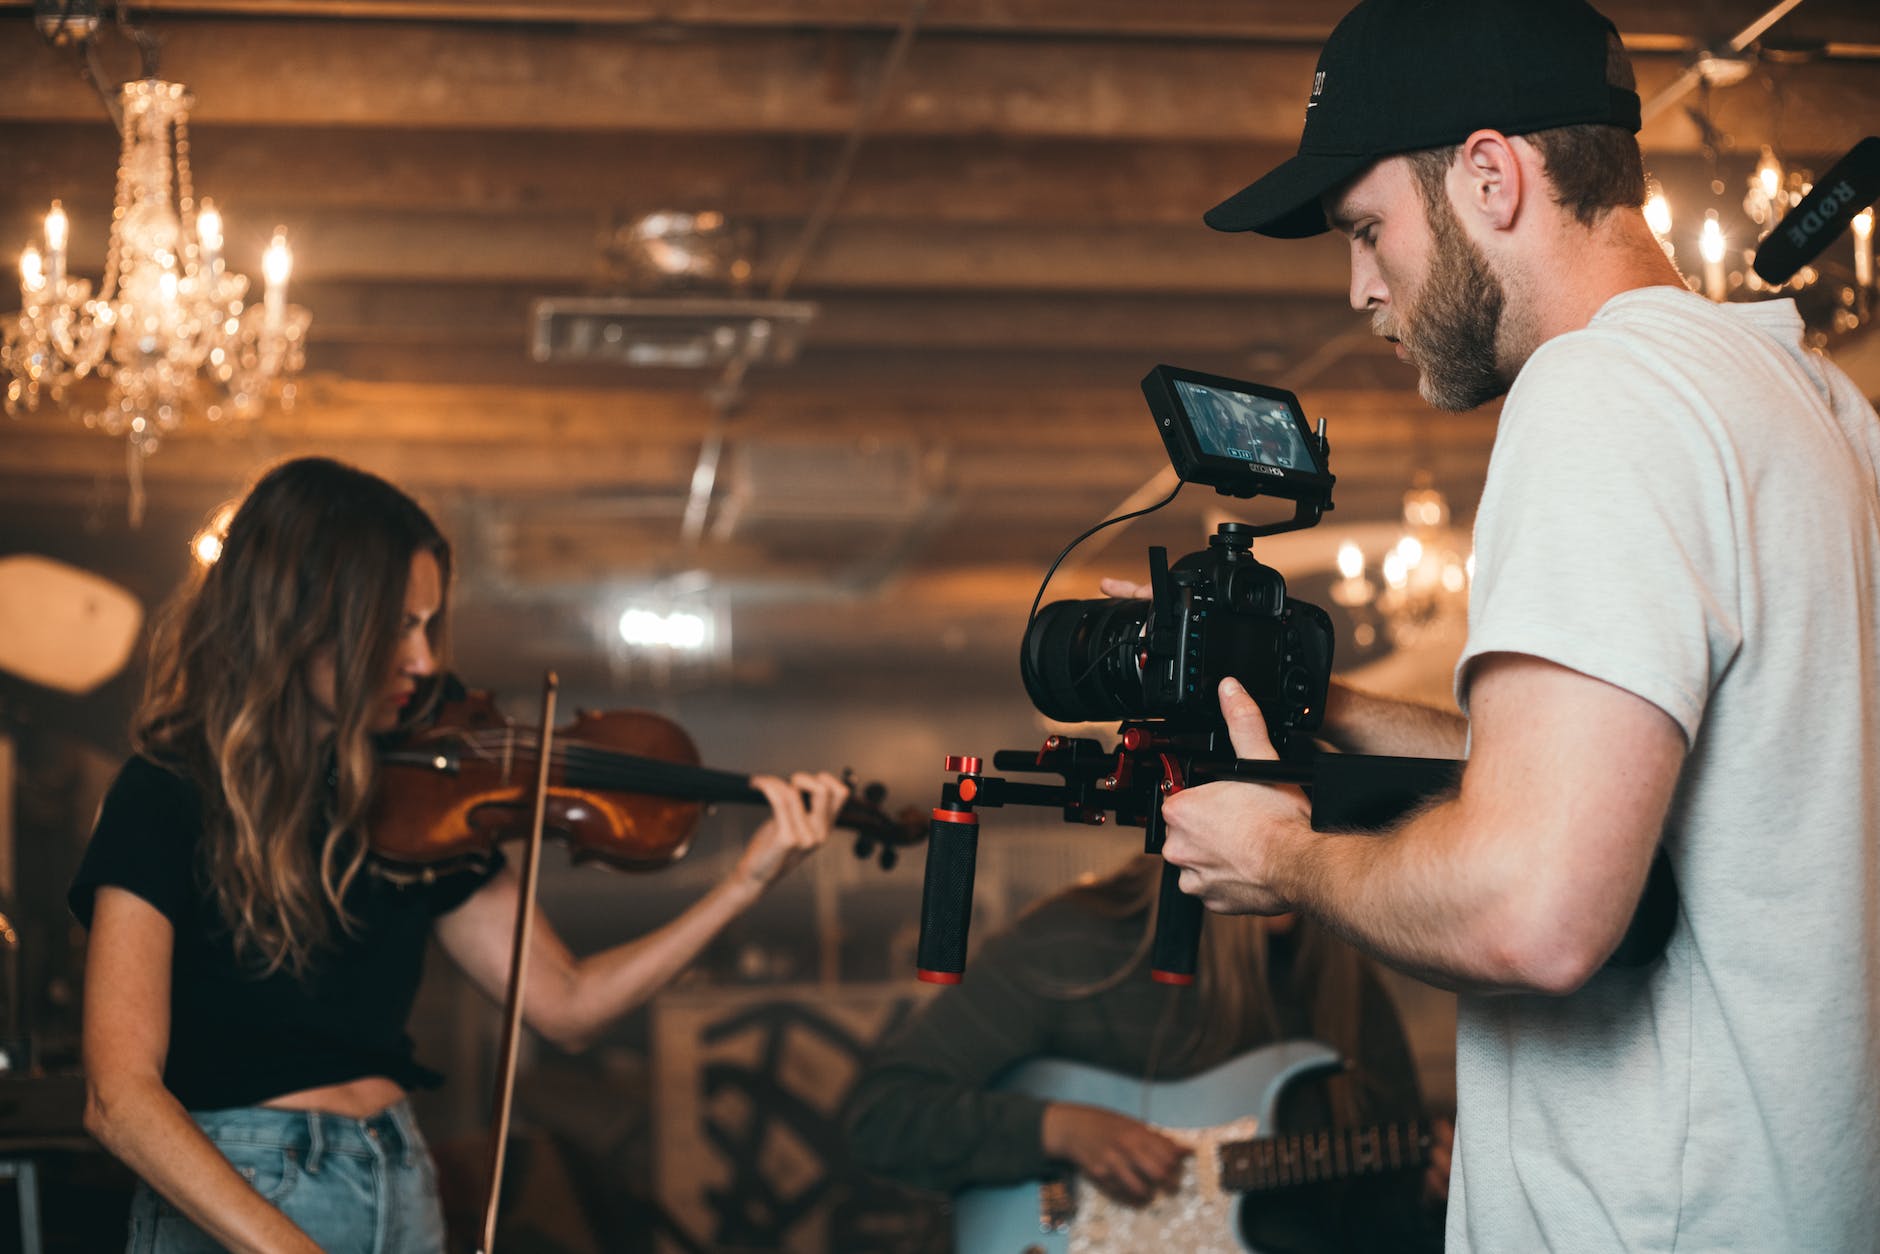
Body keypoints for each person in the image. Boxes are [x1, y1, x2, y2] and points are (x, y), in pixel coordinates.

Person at [1150, 0, 1880, 1249]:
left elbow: (1532, 910)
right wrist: (1312, 708)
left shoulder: (1594, 393)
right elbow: (1632, 791)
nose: (1357, 288)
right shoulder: (1812, 401)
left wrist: (1277, 856)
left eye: (1366, 230)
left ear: (1488, 177)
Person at [69, 456, 850, 1254]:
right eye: (396, 625)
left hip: (401, 1181)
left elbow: (567, 1004)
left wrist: (742, 886)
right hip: (237, 1196)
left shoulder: (423, 798)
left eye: (428, 625)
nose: (425, 661)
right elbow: (119, 1098)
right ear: (300, 617)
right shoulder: (164, 792)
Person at [845, 855, 1450, 1253]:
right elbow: (883, 1116)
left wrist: (1428, 1196)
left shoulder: (1343, 983)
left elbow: (1367, 1223)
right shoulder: (1072, 945)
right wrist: (1058, 1129)